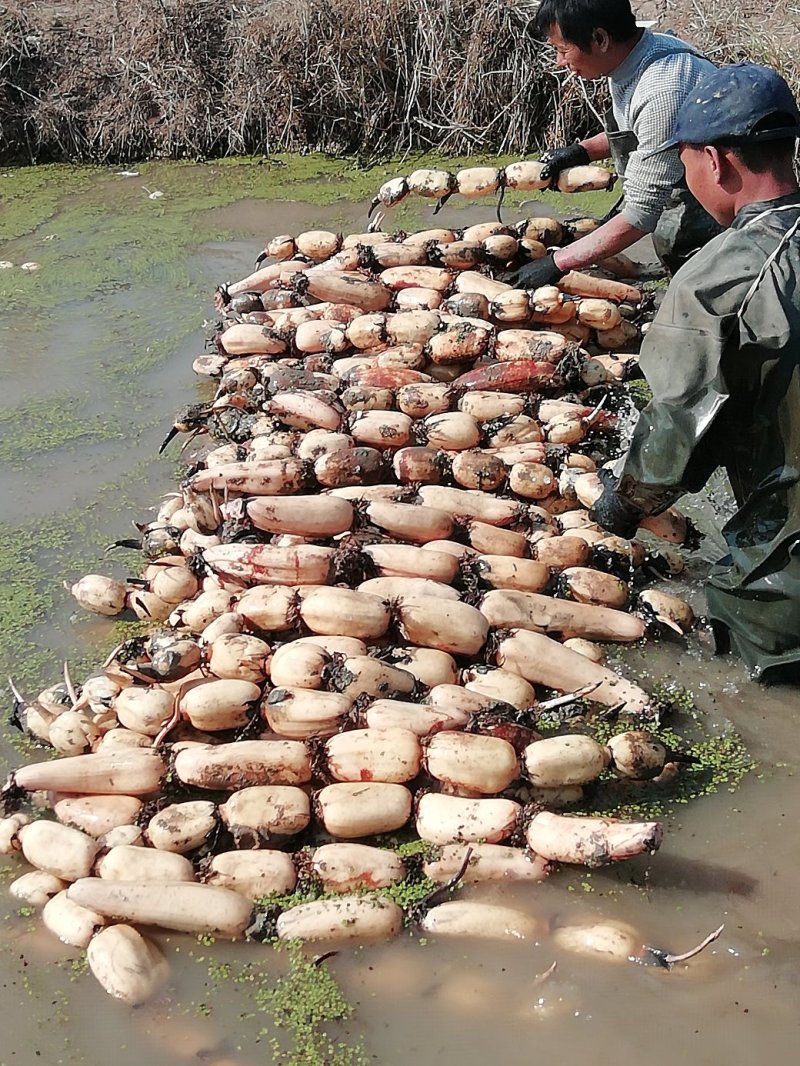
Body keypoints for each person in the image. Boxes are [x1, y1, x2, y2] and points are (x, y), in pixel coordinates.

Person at [588, 62, 800, 680]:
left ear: (715, 161)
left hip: (787, 570)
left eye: (682, 164)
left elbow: (678, 425)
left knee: (762, 664)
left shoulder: (717, 277)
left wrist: (623, 505)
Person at [509, 0, 723, 287]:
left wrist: (557, 262)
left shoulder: (662, 86)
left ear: (600, 39)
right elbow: (644, 132)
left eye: (563, 50)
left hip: (710, 231)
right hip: (678, 217)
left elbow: (641, 214)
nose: (560, 62)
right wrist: (581, 152)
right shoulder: (631, 57)